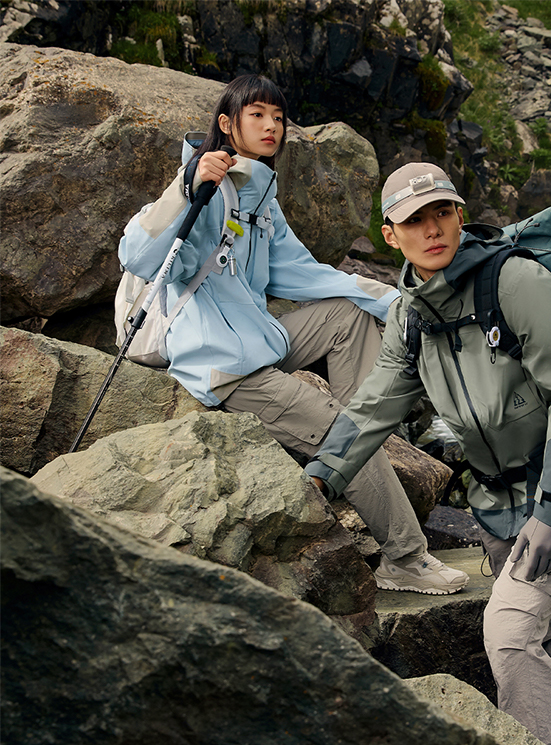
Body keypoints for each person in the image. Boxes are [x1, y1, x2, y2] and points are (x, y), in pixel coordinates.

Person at [305, 162, 551, 745]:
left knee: (509, 632)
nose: (432, 230)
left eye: (442, 213)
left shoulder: (517, 282)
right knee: (544, 618)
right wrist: (321, 475)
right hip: (497, 500)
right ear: (390, 235)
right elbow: (375, 404)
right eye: (414, 221)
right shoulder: (410, 315)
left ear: (459, 215)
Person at [118, 76, 468, 597]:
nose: (271, 126)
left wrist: (399, 300)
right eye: (257, 114)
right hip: (222, 365)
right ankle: (405, 558)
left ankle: (363, 432)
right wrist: (186, 187)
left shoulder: (259, 195)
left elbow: (302, 274)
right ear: (226, 124)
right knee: (345, 434)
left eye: (278, 117)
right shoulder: (203, 187)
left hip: (258, 341)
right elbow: (139, 256)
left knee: (347, 316)